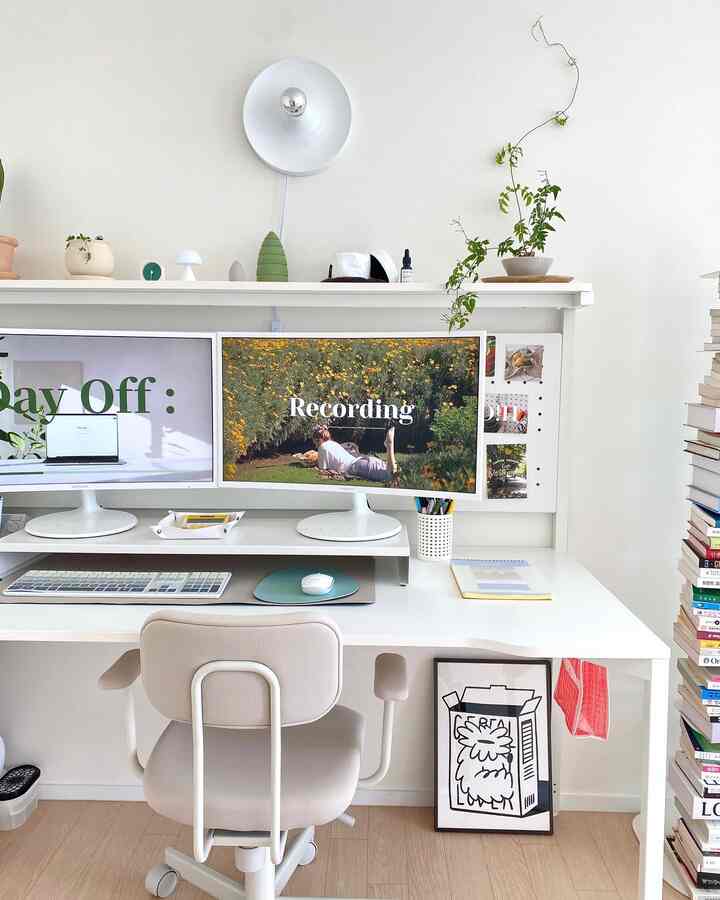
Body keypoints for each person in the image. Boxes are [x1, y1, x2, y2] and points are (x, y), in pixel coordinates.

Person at [311, 424, 397, 483]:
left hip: (355, 466)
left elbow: (322, 470)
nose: (313, 443)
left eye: (313, 441)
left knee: (390, 475)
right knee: (392, 473)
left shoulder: (322, 447)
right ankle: (389, 446)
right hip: (362, 461)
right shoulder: (332, 443)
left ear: (317, 439)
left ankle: (389, 445)